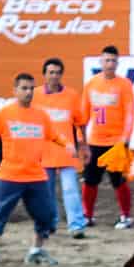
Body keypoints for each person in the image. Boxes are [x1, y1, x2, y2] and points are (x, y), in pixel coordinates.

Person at [0, 72, 65, 267]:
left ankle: (35, 251)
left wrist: (72, 147)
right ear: (15, 91)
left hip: (36, 176)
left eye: (31, 88)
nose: (28, 92)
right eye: (24, 88)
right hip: (9, 175)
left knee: (47, 215)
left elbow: (55, 136)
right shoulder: (4, 113)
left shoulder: (41, 116)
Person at [78, 47, 134, 230]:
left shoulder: (124, 85)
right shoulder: (91, 84)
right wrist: (82, 140)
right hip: (95, 141)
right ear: (101, 62)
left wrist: (125, 138)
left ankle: (125, 216)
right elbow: (83, 115)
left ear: (117, 63)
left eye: (113, 61)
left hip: (116, 143)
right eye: (107, 60)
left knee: (118, 181)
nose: (110, 64)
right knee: (89, 180)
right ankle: (87, 215)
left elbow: (130, 113)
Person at [37, 58, 88, 241]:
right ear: (44, 75)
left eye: (57, 72)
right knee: (46, 192)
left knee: (71, 190)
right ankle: (50, 224)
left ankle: (76, 225)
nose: (54, 76)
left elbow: (81, 123)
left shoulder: (71, 96)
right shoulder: (35, 96)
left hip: (67, 152)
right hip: (43, 153)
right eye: (51, 72)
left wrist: (84, 145)